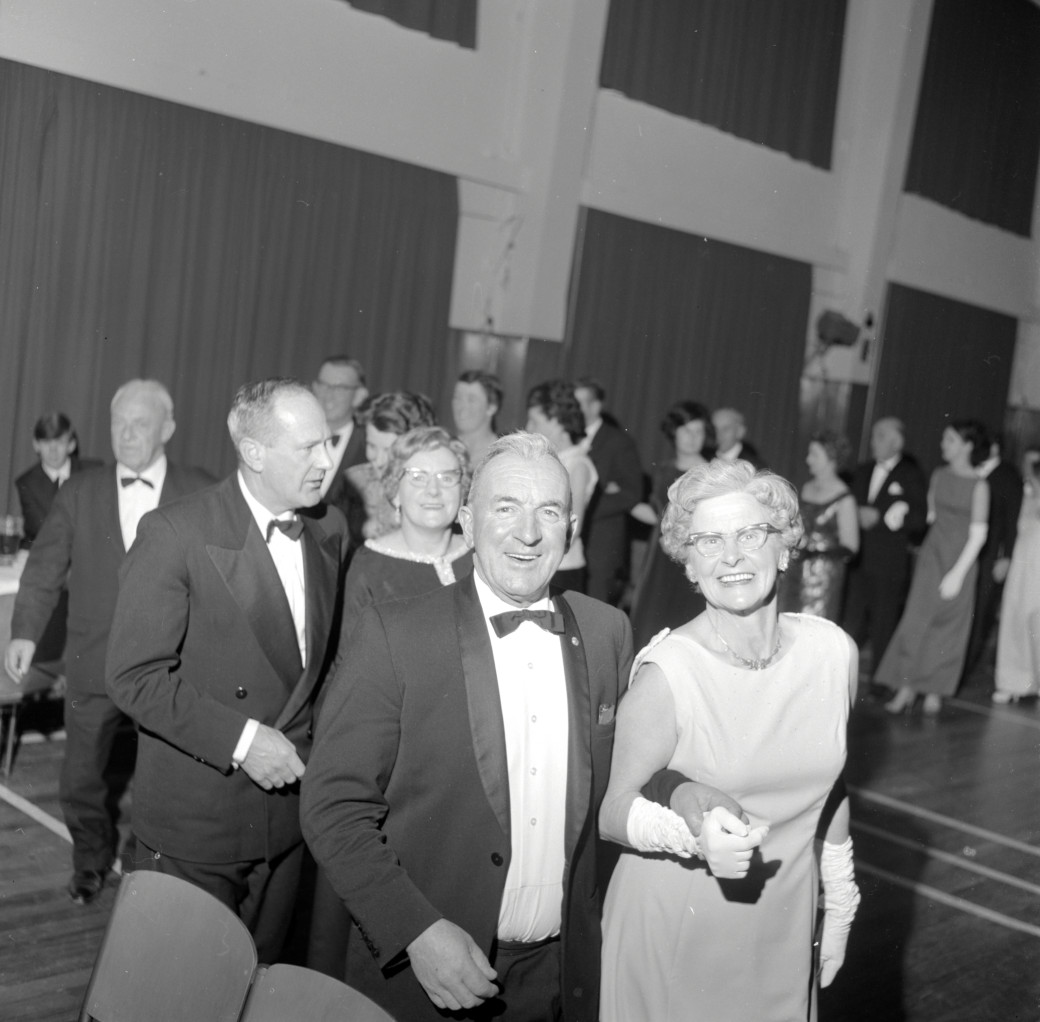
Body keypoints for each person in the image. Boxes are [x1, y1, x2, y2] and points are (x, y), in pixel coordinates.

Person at [301, 432, 633, 1022]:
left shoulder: (607, 631)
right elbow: (332, 805)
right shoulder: (394, 634)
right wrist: (417, 932)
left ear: (571, 528)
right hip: (430, 975)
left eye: (548, 511)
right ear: (467, 520)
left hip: (561, 977)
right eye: (505, 508)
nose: (527, 532)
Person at [599, 459, 860, 1022]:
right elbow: (611, 809)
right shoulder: (667, 673)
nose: (732, 556)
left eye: (750, 534)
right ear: (689, 564)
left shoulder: (834, 652)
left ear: (786, 548)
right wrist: (693, 839)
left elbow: (830, 782)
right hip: (678, 928)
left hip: (784, 920)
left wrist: (839, 902)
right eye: (709, 541)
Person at [105, 378, 349, 962]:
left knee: (257, 982)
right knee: (179, 991)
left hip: (287, 821)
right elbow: (133, 677)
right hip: (198, 822)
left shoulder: (329, 527)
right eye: (309, 448)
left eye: (329, 444)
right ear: (254, 452)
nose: (327, 462)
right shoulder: (175, 533)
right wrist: (243, 740)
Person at [4, 380, 213, 905]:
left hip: (172, 667)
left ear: (166, 429)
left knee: (165, 783)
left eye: (139, 423)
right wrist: (24, 631)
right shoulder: (80, 490)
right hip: (93, 660)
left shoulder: (202, 489)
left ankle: (154, 877)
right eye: (118, 423)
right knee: (80, 778)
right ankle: (90, 861)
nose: (126, 434)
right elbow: (46, 566)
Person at [307, 424, 474, 977]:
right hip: (400, 765)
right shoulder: (369, 566)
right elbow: (349, 684)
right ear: (392, 490)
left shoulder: (486, 560)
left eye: (447, 477)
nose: (433, 489)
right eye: (417, 477)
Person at [877, 420, 990, 715]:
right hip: (932, 556)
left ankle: (934, 691)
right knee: (915, 622)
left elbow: (979, 536)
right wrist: (903, 509)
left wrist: (957, 573)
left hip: (960, 561)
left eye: (950, 440)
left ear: (967, 446)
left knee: (947, 628)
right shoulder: (939, 475)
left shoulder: (979, 485)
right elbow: (929, 516)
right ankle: (905, 688)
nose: (943, 445)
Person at [843, 417, 928, 680]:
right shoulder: (863, 470)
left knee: (883, 624)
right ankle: (840, 674)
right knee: (851, 621)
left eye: (880, 436)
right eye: (874, 435)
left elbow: (918, 519)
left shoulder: (910, 474)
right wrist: (857, 513)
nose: (873, 441)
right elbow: (848, 504)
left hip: (888, 562)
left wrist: (880, 517)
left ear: (897, 441)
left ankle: (882, 680)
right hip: (859, 559)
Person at [629, 401, 714, 650]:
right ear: (673, 432)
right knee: (651, 621)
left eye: (698, 431)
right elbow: (659, 514)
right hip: (660, 557)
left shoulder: (710, 472)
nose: (692, 438)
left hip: (691, 554)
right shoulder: (663, 469)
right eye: (686, 430)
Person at [573, 377, 643, 606]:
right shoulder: (569, 438)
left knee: (593, 612)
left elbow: (631, 493)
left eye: (579, 403)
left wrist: (583, 506)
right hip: (572, 546)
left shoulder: (618, 441)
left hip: (600, 547)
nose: (572, 410)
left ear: (595, 406)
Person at [526, 379, 597, 591]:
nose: (529, 428)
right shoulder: (547, 459)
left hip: (562, 568)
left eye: (535, 422)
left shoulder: (577, 464)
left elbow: (573, 528)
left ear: (557, 421)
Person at [780, 431, 860, 622]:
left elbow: (851, 547)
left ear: (831, 457)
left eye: (814, 454)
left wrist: (815, 553)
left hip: (823, 577)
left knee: (813, 626)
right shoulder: (807, 487)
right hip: (795, 571)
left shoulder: (845, 498)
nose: (808, 460)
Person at [963, 435, 1022, 680]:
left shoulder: (1008, 476)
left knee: (980, 614)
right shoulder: (973, 470)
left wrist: (1006, 556)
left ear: (995, 448)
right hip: (969, 553)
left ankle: (964, 672)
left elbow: (1012, 520)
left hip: (990, 557)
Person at [343, 390, 436, 544]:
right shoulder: (352, 483)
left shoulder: (433, 491)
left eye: (389, 451)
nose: (378, 461)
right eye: (371, 446)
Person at [993, 446, 1040, 703]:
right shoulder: (1019, 491)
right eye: (1028, 463)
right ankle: (1013, 683)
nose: (1030, 469)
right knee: (1014, 620)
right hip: (1021, 565)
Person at [15, 411, 101, 546]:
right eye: (46, 442)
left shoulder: (93, 472)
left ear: (71, 445)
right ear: (36, 445)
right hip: (44, 553)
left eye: (60, 442)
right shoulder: (27, 483)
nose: (53, 450)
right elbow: (41, 530)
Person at [312, 356, 369, 523]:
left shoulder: (370, 449)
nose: (328, 395)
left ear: (359, 396)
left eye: (340, 388)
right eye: (323, 385)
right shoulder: (291, 439)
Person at [453, 370, 503, 467]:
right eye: (457, 397)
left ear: (491, 407)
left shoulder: (500, 456)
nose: (461, 407)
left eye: (471, 400)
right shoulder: (446, 449)